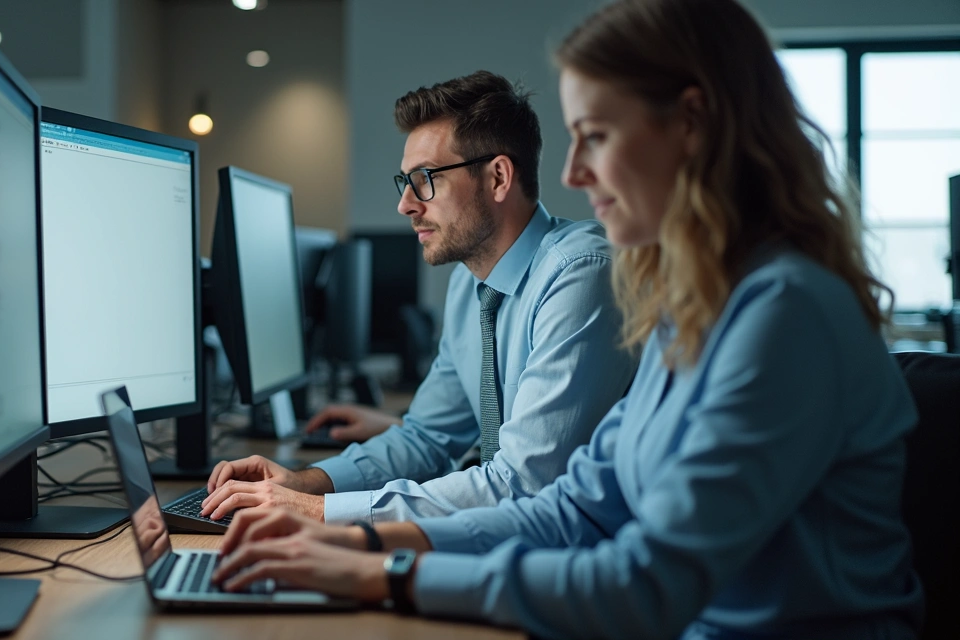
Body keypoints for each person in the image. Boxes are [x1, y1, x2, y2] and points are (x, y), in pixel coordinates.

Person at [208, 0, 925, 637]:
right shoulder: (688, 310)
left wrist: (387, 572)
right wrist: (357, 542)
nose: (575, 173)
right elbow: (575, 510)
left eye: (597, 136)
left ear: (693, 126)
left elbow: (645, 586)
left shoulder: (784, 314)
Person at [200, 71, 638, 524]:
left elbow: (522, 484)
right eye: (405, 181)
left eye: (425, 178)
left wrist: (316, 511)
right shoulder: (472, 285)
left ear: (498, 177)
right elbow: (427, 438)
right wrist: (305, 482)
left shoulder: (581, 276)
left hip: (587, 570)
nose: (406, 204)